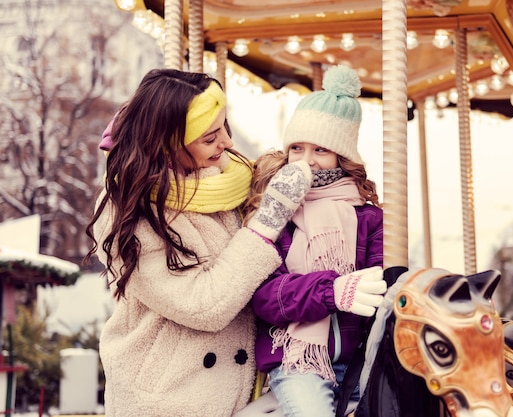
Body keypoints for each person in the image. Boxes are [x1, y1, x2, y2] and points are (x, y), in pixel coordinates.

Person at [84, 68, 313, 417]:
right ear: (167, 145)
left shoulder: (228, 183)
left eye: (224, 127)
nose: (228, 143)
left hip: (238, 392)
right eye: (209, 138)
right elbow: (204, 305)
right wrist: (266, 223)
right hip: (169, 399)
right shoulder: (129, 213)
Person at [244, 65, 386, 417]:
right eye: (297, 148)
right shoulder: (274, 211)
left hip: (358, 361)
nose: (306, 162)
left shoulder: (369, 219)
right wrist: (333, 291)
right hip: (297, 362)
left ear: (341, 157)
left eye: (320, 150)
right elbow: (264, 296)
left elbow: (385, 286)